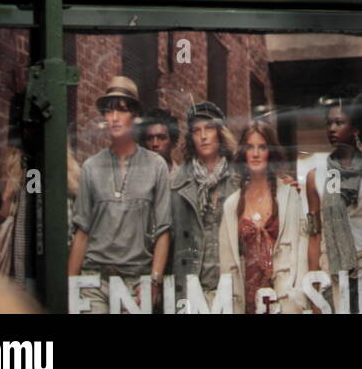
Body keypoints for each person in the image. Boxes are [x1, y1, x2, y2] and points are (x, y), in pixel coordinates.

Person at [68, 76, 172, 314]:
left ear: (134, 115)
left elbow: (163, 230)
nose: (114, 118)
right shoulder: (91, 167)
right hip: (94, 281)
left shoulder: (156, 166)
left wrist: (154, 282)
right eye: (109, 110)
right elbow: (81, 231)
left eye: (122, 110)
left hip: (136, 282)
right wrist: (71, 287)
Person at [306, 91, 362, 314]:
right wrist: (314, 286)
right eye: (329, 123)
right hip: (332, 276)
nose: (332, 129)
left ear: (355, 128)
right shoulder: (315, 177)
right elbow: (315, 236)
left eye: (339, 123)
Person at [218, 119, 307, 314]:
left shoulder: (289, 196)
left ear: (271, 152)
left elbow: (302, 251)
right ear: (243, 153)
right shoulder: (232, 205)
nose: (256, 154)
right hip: (246, 303)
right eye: (250, 147)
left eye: (262, 147)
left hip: (284, 301)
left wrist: (297, 297)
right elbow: (227, 265)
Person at [171, 100, 239, 307]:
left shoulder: (239, 178)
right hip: (192, 287)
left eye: (209, 128)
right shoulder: (176, 182)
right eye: (196, 130)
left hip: (230, 284)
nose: (203, 136)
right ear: (190, 137)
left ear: (220, 132)